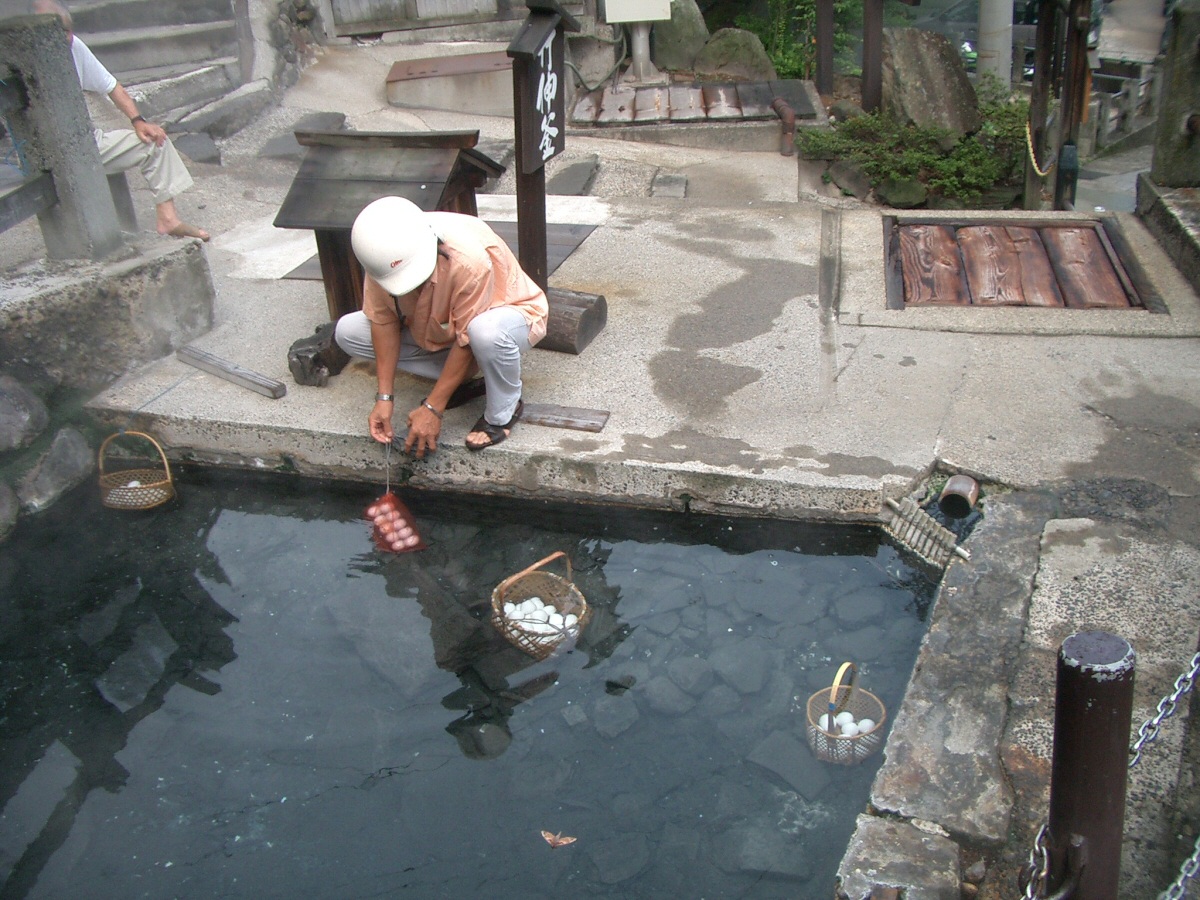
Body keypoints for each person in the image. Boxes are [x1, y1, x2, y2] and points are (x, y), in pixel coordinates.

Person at [334, 196, 548, 457]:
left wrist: (433, 408)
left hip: (507, 315)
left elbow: (467, 337)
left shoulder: (468, 259)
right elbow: (383, 321)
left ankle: (505, 409)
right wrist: (385, 397)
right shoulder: (381, 254)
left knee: (485, 333)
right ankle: (459, 378)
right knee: (348, 332)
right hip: (442, 327)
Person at [31, 0, 209, 241]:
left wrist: (138, 120)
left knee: (155, 140)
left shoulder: (74, 47)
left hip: (87, 140)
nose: (66, 38)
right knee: (150, 147)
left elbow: (111, 85)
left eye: (67, 32)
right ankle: (162, 221)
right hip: (54, 151)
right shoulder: (29, 56)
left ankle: (168, 219)